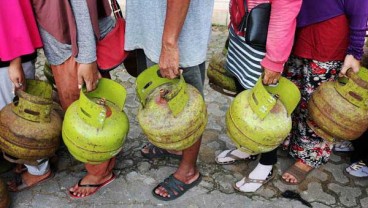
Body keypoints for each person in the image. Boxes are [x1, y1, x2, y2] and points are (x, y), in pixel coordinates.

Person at [125, 0, 214, 200]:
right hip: (152, 27)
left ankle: (189, 171)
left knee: (188, 106)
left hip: (178, 31)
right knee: (158, 95)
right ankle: (172, 146)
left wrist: (169, 43)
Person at [31, 0, 117, 198]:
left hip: (72, 50)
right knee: (94, 105)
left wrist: (87, 58)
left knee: (85, 113)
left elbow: (81, 4)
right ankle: (106, 157)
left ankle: (100, 173)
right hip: (66, 46)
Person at [215, 0, 302, 192]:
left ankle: (267, 163)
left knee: (263, 108)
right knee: (243, 96)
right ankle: (249, 149)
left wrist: (275, 60)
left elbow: (284, 15)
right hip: (242, 35)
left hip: (263, 45)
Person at [281, 0, 368, 184]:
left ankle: (310, 156)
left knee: (317, 102)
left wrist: (355, 50)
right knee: (295, 94)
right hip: (299, 30)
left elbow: (360, 5)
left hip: (329, 37)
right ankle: (294, 142)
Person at [0, 0, 53, 192]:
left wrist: (15, 62)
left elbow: (9, 12)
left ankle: (39, 169)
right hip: (8, 56)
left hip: (9, 59)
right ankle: (27, 159)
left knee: (19, 123)